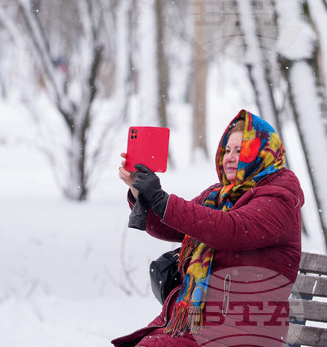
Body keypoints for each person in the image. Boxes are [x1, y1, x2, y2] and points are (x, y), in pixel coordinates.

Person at [112, 109, 304, 346]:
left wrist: (162, 199)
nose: (230, 157)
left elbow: (231, 229)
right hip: (200, 321)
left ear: (263, 154)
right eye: (227, 150)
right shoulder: (220, 195)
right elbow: (171, 228)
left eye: (241, 150)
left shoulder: (279, 200)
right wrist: (139, 190)